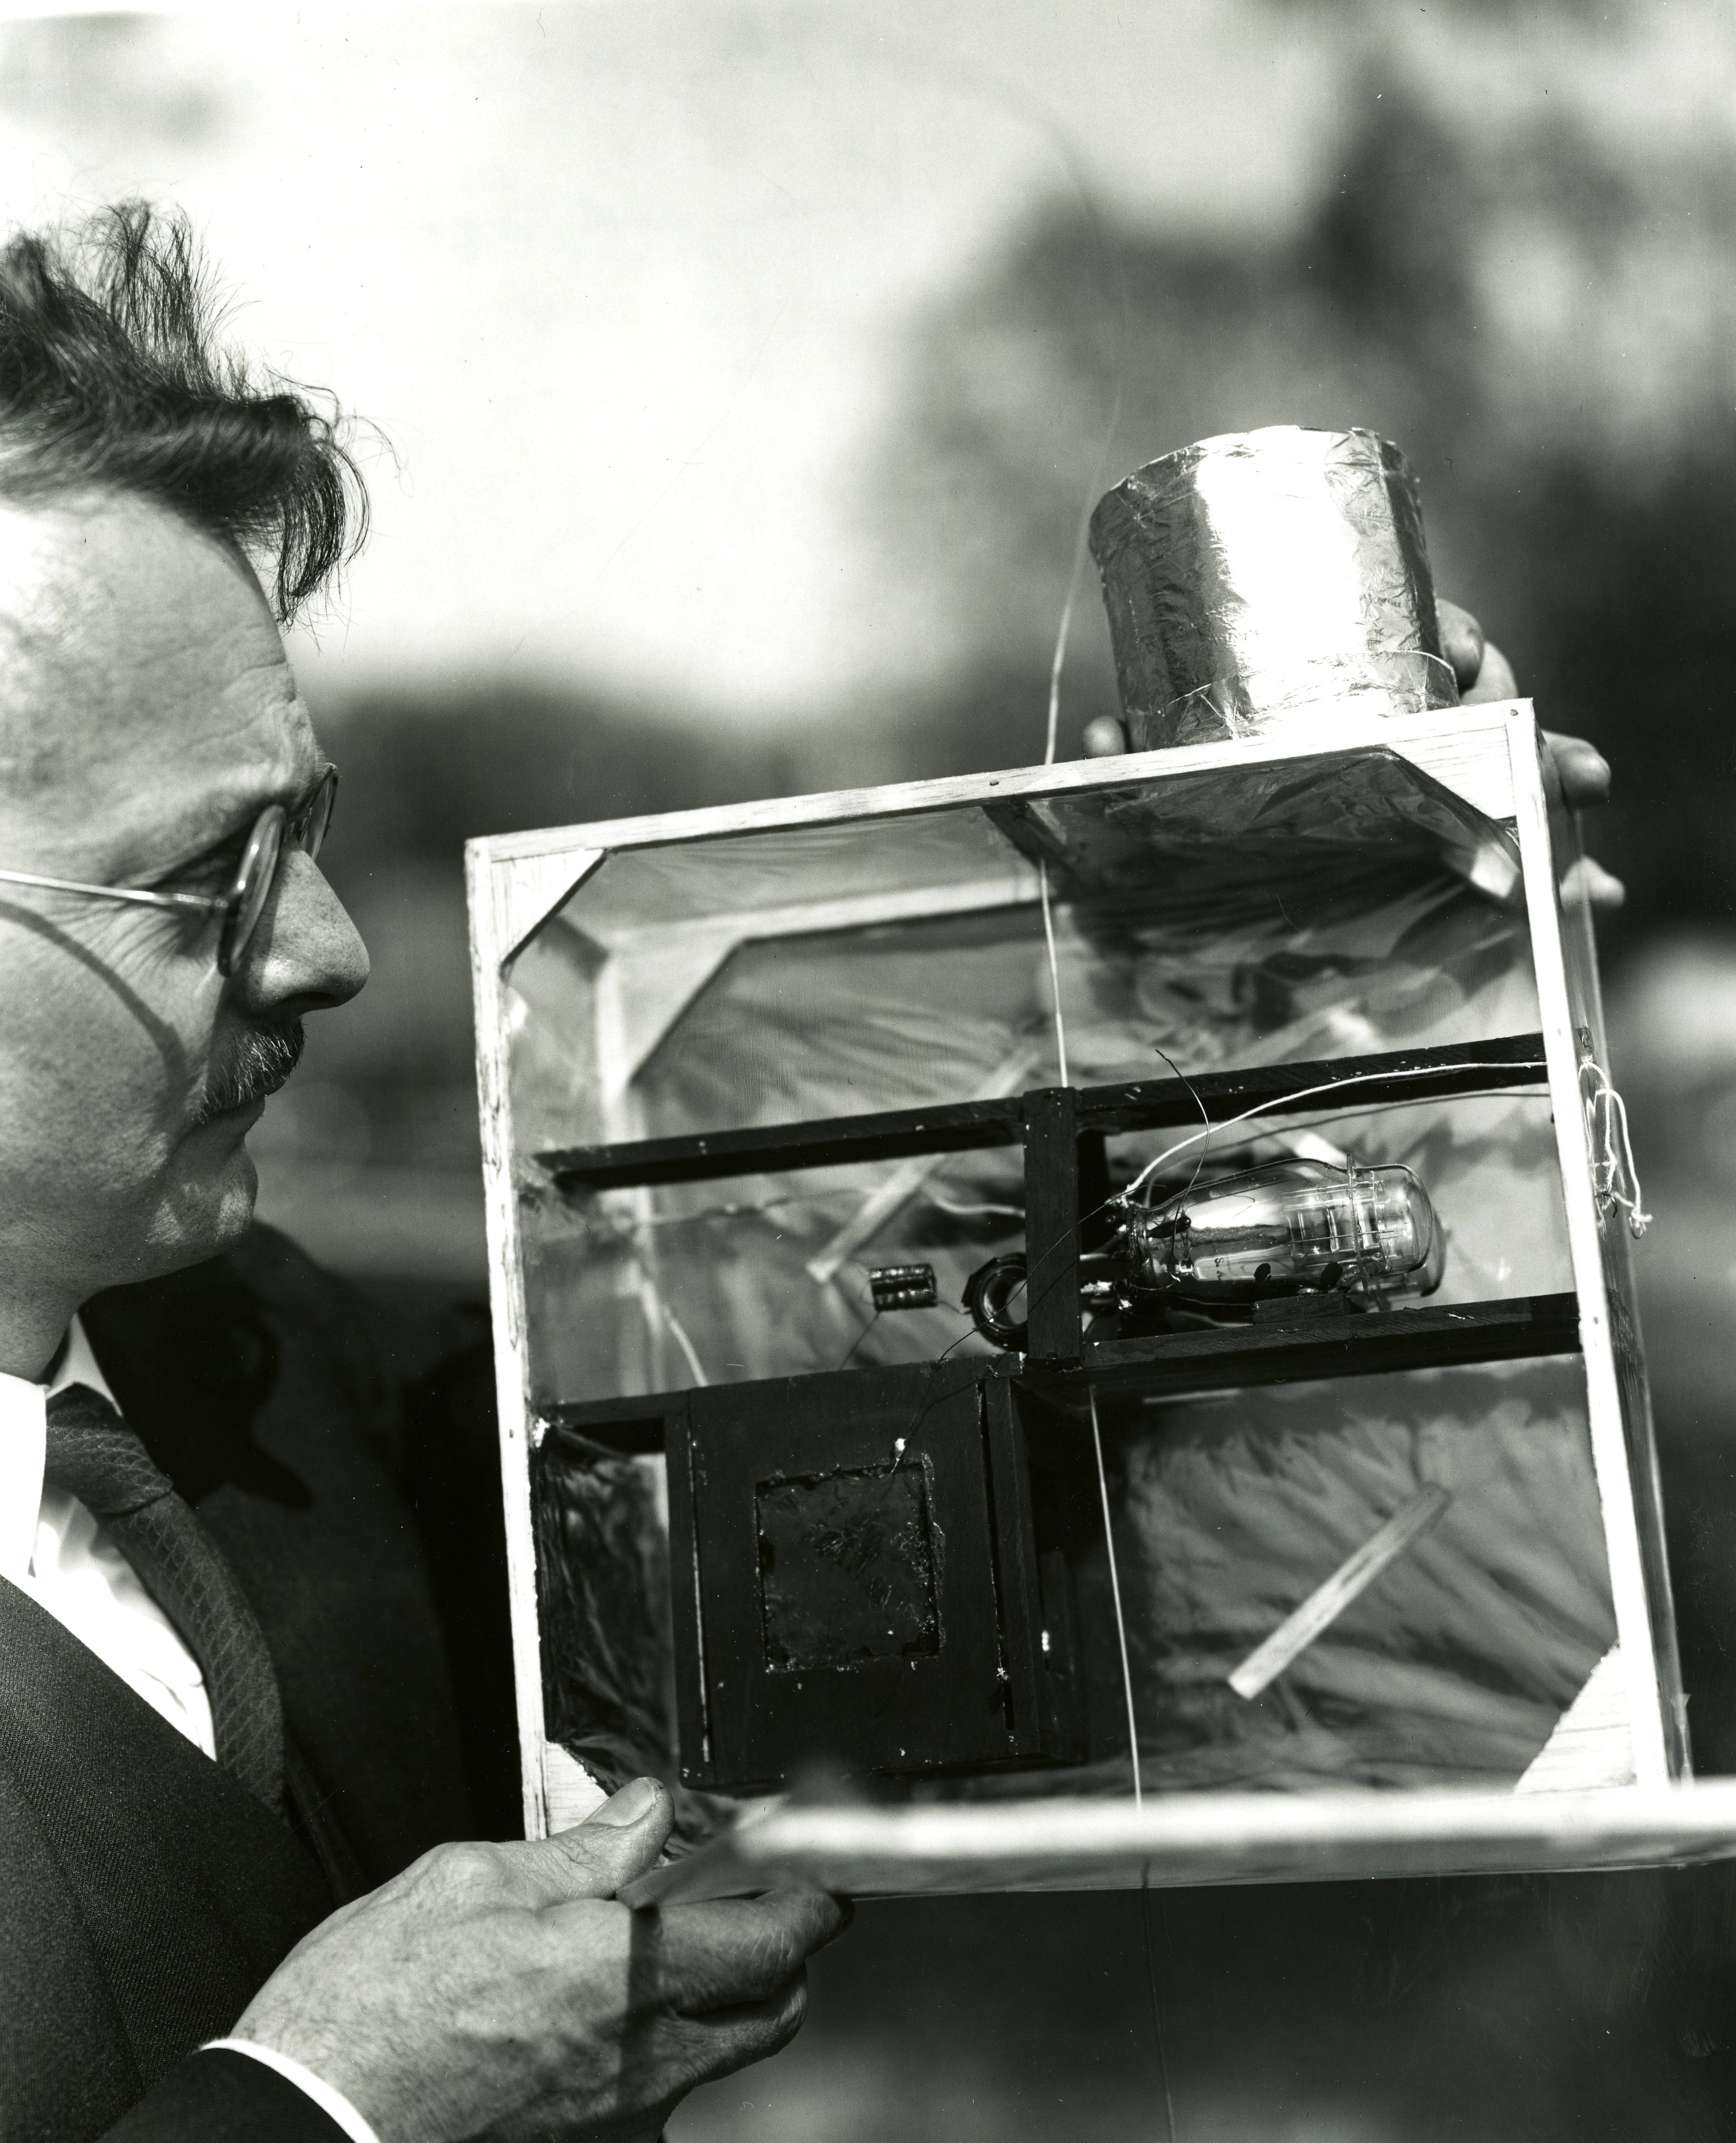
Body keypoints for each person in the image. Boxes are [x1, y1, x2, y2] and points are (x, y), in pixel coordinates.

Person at [0, 205, 1613, 2143]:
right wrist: (322, 2109)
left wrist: (1215, 981)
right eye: (208, 879)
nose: (330, 950)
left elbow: (895, 1383)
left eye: (306, 829)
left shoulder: (301, 1389)